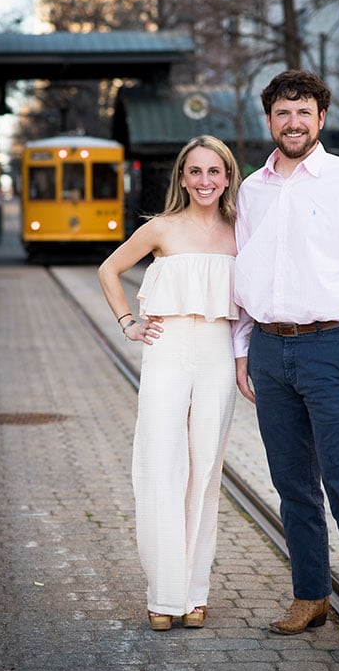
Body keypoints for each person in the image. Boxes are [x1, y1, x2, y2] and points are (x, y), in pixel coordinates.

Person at [232, 70, 339, 659]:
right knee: (292, 487)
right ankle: (311, 595)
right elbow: (244, 272)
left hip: (337, 349)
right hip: (270, 352)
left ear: (321, 118)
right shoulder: (251, 190)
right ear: (270, 120)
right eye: (283, 113)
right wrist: (242, 348)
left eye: (304, 111)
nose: (294, 122)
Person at [98, 135, 241, 631]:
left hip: (219, 354)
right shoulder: (160, 228)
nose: (205, 181)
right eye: (195, 171)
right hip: (167, 352)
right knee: (161, 469)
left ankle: (195, 593)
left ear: (227, 178)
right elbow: (109, 269)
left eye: (214, 172)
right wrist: (127, 324)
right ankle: (164, 594)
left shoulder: (241, 230)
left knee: (204, 474)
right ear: (182, 177)